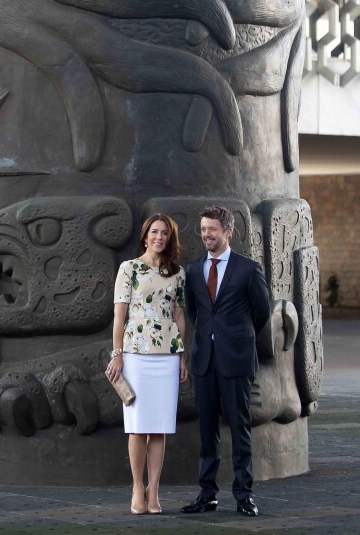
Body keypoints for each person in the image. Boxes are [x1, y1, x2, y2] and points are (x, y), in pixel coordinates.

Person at [181, 205, 270, 518]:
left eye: (212, 230)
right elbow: (194, 312)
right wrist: (211, 336)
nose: (206, 234)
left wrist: (237, 337)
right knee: (207, 432)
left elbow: (262, 311)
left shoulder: (248, 268)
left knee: (240, 431)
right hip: (204, 361)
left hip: (237, 361)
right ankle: (208, 495)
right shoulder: (193, 270)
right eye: (203, 229)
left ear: (228, 232)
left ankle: (244, 495)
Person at [106, 213, 188, 515]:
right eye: (154, 232)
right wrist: (117, 354)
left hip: (167, 355)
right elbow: (119, 316)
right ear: (145, 235)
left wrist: (182, 356)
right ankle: (136, 489)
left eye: (165, 233)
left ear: (170, 238)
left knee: (160, 428)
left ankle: (154, 491)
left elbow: (180, 317)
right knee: (138, 428)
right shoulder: (129, 269)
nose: (159, 237)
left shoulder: (178, 273)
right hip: (136, 355)